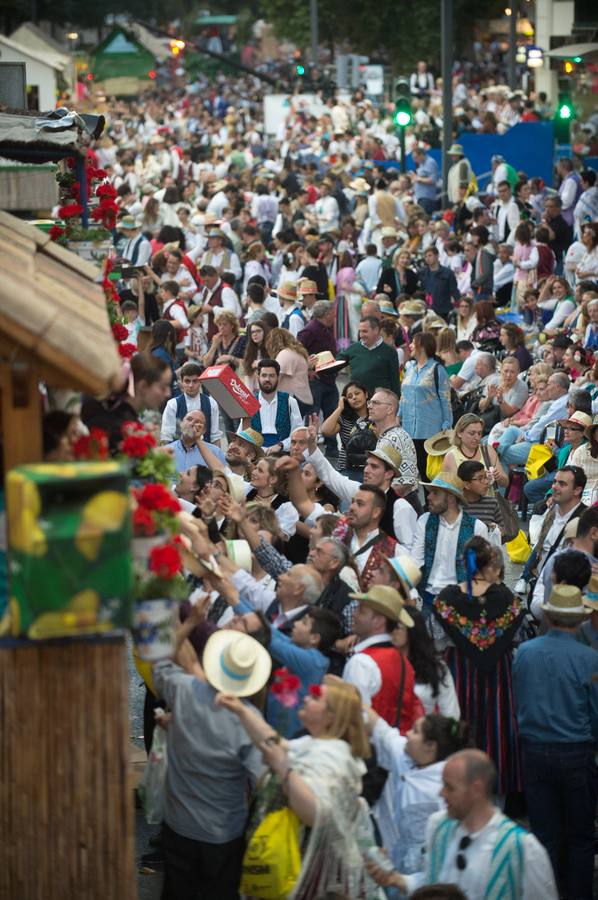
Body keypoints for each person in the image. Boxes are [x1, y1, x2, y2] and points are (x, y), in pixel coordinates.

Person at [217, 677, 378, 899]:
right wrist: (241, 710)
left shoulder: (334, 756)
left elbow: (316, 813)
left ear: (331, 716)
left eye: (315, 697)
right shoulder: (312, 743)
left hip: (306, 872)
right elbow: (272, 741)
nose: (306, 698)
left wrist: (282, 768)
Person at [152, 629, 270, 900]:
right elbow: (262, 777)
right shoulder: (249, 719)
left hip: (178, 822)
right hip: (224, 831)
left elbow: (159, 662)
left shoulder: (183, 689)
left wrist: (185, 625)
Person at [367, 749, 558, 898]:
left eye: (449, 787)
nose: (441, 794)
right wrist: (395, 879)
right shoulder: (437, 825)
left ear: (476, 789)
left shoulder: (523, 847)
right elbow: (431, 881)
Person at [513, 583, 598, 900]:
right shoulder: (589, 658)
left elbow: (518, 699)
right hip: (576, 752)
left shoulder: (525, 653)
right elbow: (595, 712)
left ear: (549, 616)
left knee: (544, 836)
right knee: (580, 837)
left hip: (534, 751)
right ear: (578, 620)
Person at [434, 536, 524, 793]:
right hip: (498, 677)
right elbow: (515, 639)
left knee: (460, 723)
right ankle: (497, 791)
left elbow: (439, 641)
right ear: (492, 564)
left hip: (460, 673)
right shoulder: (508, 599)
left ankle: (457, 785)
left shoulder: (447, 599)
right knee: (497, 729)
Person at [366, 708, 471, 873]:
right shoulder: (407, 756)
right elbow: (381, 730)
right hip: (398, 860)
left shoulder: (445, 786)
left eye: (415, 731)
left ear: (430, 746)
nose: (407, 733)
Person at [342, 584, 424, 733]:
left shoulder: (361, 663)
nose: (354, 615)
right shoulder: (403, 661)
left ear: (378, 621)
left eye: (362, 611)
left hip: (369, 750)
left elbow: (354, 720)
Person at [412, 474, 489, 616]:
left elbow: (482, 570)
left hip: (462, 603)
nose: (428, 497)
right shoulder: (424, 521)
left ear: (451, 497)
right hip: (429, 600)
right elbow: (415, 561)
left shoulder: (477, 527)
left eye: (435, 493)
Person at [526, 465, 588, 614]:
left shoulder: (586, 521)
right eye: (554, 482)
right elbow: (541, 547)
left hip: (565, 593)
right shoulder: (551, 512)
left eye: (562, 484)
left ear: (577, 490)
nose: (555, 487)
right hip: (541, 586)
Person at [399, 332, 452, 479]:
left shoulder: (437, 370)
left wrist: (447, 424)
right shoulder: (409, 368)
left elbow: (446, 399)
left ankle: (433, 501)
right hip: (409, 427)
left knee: (430, 470)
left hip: (431, 429)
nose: (410, 346)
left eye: (413, 343)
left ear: (421, 346)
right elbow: (403, 395)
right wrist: (398, 416)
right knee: (416, 468)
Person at [391, 607, 460, 718]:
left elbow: (450, 713)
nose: (391, 632)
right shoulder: (383, 662)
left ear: (412, 632)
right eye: (389, 627)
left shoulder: (435, 666)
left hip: (424, 731)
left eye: (397, 627)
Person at [367, 387, 419, 497]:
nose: (369, 406)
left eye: (375, 403)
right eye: (370, 402)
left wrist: (381, 502)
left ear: (390, 409)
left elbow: (406, 482)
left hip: (401, 505)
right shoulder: (389, 435)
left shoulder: (397, 437)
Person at [336, 315, 401, 397]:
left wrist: (396, 402)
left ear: (376, 330)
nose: (361, 335)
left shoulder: (390, 352)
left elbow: (395, 381)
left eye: (365, 331)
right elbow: (334, 364)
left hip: (379, 403)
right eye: (360, 331)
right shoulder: (353, 349)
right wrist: (316, 366)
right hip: (357, 402)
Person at [247, 358, 303, 453]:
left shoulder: (290, 401)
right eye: (264, 375)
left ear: (278, 377)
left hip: (283, 453)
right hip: (256, 454)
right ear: (258, 377)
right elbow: (242, 433)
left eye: (272, 376)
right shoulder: (250, 403)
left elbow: (298, 433)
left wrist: (281, 445)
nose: (267, 379)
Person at [160, 361, 221, 446]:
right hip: (180, 453)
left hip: (205, 453)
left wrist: (218, 457)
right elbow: (166, 437)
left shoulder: (211, 403)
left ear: (200, 381)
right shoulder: (172, 404)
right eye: (187, 381)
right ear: (181, 382)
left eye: (195, 381)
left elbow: (215, 436)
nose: (191, 385)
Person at [443, 413, 508, 490]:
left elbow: (505, 483)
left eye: (479, 433)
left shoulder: (488, 450)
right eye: (472, 433)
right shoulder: (451, 457)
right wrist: (481, 478)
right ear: (459, 433)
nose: (477, 437)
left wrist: (498, 477)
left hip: (489, 501)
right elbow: (454, 489)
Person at [321, 381, 371, 478]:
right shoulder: (344, 418)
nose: (354, 398)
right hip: (347, 468)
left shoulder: (375, 415)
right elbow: (325, 431)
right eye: (349, 396)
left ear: (366, 394)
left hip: (371, 468)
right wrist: (339, 408)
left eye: (357, 393)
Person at [264, 327, 313, 415]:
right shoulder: (297, 352)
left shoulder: (285, 354)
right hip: (303, 398)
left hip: (294, 398)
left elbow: (275, 377)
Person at [418, 246, 460, 318]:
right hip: (429, 310)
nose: (427, 258)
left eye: (430, 255)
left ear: (437, 256)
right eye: (425, 256)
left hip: (444, 310)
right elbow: (421, 290)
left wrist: (458, 304)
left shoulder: (448, 273)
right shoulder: (422, 272)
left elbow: (454, 290)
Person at [411, 146, 439, 215]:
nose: (414, 160)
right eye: (413, 158)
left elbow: (433, 179)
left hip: (427, 197)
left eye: (416, 157)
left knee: (424, 217)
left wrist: (418, 178)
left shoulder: (430, 163)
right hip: (420, 196)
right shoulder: (421, 164)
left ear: (421, 155)